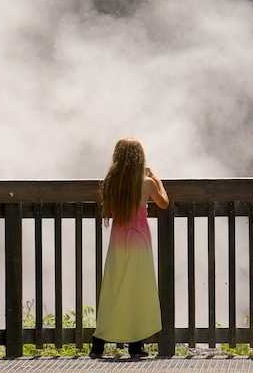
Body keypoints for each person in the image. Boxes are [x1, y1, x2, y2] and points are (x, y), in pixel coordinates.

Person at [89, 138, 170, 359]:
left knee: (113, 290)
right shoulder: (146, 183)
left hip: (117, 242)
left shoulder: (112, 183)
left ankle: (98, 344)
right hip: (139, 242)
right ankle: (136, 344)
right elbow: (163, 202)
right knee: (137, 290)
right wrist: (156, 178)